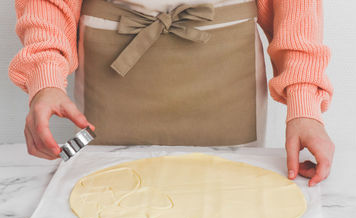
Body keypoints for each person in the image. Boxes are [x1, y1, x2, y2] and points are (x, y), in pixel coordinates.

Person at [8, 0, 335, 187]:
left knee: (230, 196)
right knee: (109, 193)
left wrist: (304, 104)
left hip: (225, 75)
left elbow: (296, 8)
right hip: (111, 72)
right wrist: (46, 79)